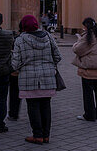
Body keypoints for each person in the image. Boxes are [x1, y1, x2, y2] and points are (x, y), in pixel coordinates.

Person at [10, 14, 61, 144]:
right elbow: (58, 56)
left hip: (29, 79)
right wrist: (49, 64)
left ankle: (37, 135)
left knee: (33, 106)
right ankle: (46, 135)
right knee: (46, 106)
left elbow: (15, 64)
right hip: (47, 77)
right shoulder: (48, 37)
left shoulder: (20, 40)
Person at [72, 17, 97, 121]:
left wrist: (78, 40)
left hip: (88, 70)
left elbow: (77, 49)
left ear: (86, 26)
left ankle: (89, 115)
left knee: (88, 94)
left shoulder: (88, 36)